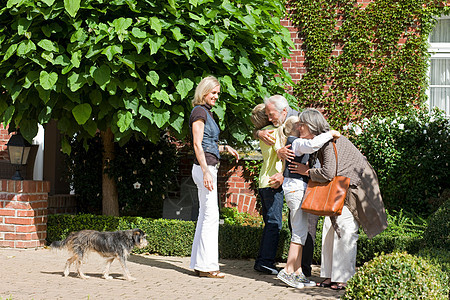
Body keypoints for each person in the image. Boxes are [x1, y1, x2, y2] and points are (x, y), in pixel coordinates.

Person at [291, 108, 388, 290]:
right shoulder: (320, 141)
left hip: (353, 188)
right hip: (340, 188)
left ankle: (343, 277)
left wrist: (308, 172)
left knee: (345, 229)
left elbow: (328, 172)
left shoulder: (328, 143)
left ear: (310, 126)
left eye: (301, 124)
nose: (298, 127)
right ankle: (329, 275)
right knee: (329, 229)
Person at [252, 96, 317, 277]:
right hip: (281, 182)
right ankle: (291, 268)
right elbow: (282, 151)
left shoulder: (296, 123)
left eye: (271, 114)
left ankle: (300, 268)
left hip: (295, 180)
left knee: (299, 226)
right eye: (267, 115)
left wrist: (283, 172)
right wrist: (258, 134)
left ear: (283, 111)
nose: (270, 118)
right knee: (290, 225)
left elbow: (296, 153)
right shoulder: (275, 128)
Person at [275, 116, 341, 289]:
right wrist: (330, 134)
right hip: (295, 191)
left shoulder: (294, 143)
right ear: (298, 127)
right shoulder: (295, 143)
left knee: (301, 232)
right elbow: (312, 145)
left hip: (296, 190)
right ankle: (288, 270)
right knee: (298, 232)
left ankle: (297, 272)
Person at [189, 75, 239, 279]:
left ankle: (200, 264)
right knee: (211, 217)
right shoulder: (199, 111)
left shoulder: (205, 112)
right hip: (205, 168)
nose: (216, 97)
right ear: (204, 91)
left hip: (207, 166)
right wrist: (206, 171)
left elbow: (208, 144)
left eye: (218, 93)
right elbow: (197, 144)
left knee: (205, 216)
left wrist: (225, 148)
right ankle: (208, 266)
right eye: (213, 93)